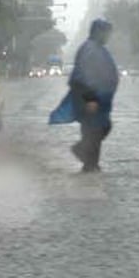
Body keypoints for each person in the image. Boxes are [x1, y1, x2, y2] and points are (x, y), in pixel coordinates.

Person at [49, 19, 119, 172]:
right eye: (106, 33)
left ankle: (91, 164)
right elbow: (83, 76)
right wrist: (91, 98)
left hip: (100, 102)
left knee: (99, 129)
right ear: (98, 32)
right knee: (93, 131)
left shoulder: (98, 49)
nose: (108, 36)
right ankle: (87, 161)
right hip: (90, 100)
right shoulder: (89, 49)